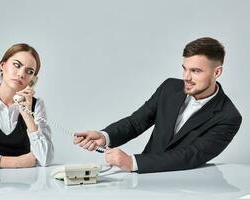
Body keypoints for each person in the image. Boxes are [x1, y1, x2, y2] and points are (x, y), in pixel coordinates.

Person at [74, 37, 242, 174]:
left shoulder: (228, 117)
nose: (186, 77)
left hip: (186, 188)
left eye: (195, 71)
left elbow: (191, 156)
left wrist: (131, 162)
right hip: (142, 182)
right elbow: (136, 122)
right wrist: (104, 136)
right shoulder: (169, 88)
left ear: (217, 72)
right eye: (184, 68)